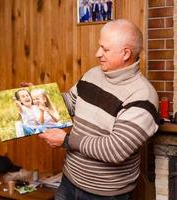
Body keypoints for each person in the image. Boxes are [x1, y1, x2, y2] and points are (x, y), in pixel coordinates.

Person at [39, 19, 159, 200]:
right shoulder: (92, 74)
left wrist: (66, 140)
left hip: (105, 195)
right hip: (69, 182)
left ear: (126, 53)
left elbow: (115, 150)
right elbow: (71, 103)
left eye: (105, 49)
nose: (97, 54)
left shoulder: (143, 96)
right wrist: (41, 97)